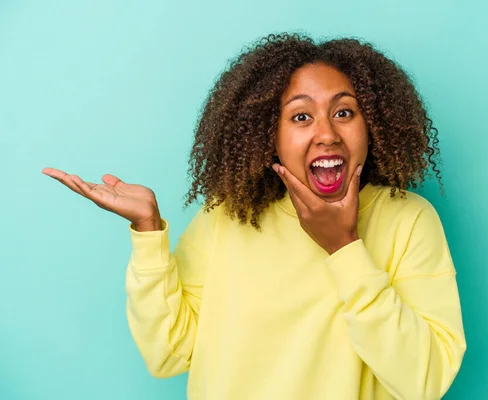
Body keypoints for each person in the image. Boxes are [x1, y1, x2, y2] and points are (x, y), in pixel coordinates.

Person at [42, 33, 466, 400]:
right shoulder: (227, 217)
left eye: (344, 112)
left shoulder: (409, 220)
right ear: (270, 134)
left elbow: (422, 382)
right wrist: (148, 230)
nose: (327, 133)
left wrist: (345, 247)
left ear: (371, 124)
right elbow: (169, 353)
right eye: (301, 116)